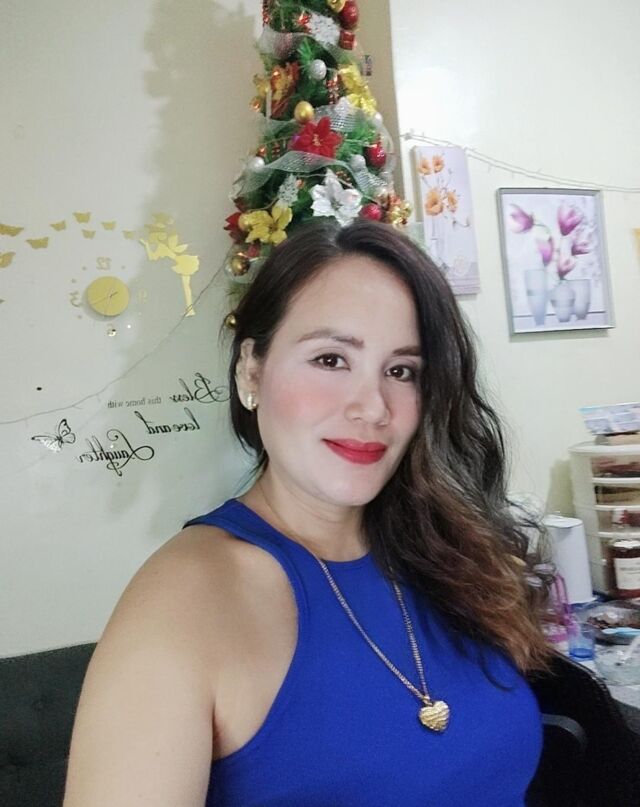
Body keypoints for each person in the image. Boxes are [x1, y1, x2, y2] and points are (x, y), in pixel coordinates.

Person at [63, 218, 552, 807]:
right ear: (252, 371)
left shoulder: (445, 552)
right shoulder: (185, 599)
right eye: (330, 359)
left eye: (401, 371)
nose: (373, 408)